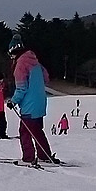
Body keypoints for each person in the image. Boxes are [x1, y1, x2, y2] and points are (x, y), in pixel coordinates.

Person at [6, 33, 59, 164]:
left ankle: (28, 158)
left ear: (14, 52)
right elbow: (46, 78)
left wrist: (13, 101)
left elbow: (21, 88)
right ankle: (44, 155)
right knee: (37, 130)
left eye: (11, 55)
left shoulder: (20, 65)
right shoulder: (35, 61)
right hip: (40, 103)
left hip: (29, 106)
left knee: (25, 131)